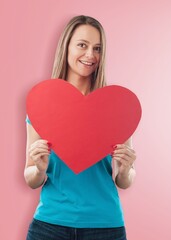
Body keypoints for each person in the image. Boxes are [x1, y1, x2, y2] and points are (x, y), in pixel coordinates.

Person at [24, 15, 136, 240]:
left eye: (97, 48)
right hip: (49, 227)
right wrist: (39, 167)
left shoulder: (116, 105)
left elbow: (124, 181)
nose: (90, 55)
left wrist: (125, 170)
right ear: (66, 47)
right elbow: (31, 179)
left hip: (105, 227)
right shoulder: (42, 104)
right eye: (82, 45)